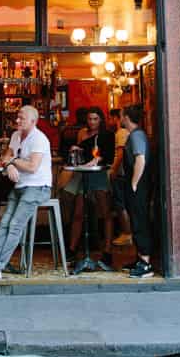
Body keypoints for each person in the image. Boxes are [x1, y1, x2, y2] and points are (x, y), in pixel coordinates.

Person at [0, 106, 52, 281]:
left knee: (15, 225)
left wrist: (12, 161)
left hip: (38, 188)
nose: (18, 121)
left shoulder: (39, 139)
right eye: (17, 117)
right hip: (20, 187)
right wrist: (11, 164)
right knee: (5, 222)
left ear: (33, 122)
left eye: (22, 118)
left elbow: (32, 167)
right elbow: (5, 158)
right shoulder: (15, 136)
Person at [61, 106, 116, 266]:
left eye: (95, 119)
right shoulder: (82, 133)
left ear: (101, 120)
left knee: (105, 212)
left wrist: (98, 159)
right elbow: (81, 154)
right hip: (83, 174)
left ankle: (107, 250)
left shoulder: (107, 135)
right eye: (90, 119)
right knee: (78, 213)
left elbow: (109, 156)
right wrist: (76, 149)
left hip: (98, 174)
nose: (92, 122)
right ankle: (72, 250)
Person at [120, 105, 154, 278]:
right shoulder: (136, 135)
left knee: (140, 221)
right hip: (138, 184)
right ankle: (140, 258)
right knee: (136, 220)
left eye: (121, 115)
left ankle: (146, 263)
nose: (120, 118)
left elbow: (140, 159)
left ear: (126, 117)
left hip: (138, 185)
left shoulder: (136, 136)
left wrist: (134, 183)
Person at [107, 108, 134, 247]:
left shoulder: (121, 133)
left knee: (120, 204)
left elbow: (120, 154)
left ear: (116, 118)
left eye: (110, 118)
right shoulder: (122, 133)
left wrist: (113, 170)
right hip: (123, 173)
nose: (109, 121)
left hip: (121, 173)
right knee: (121, 203)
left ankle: (127, 233)